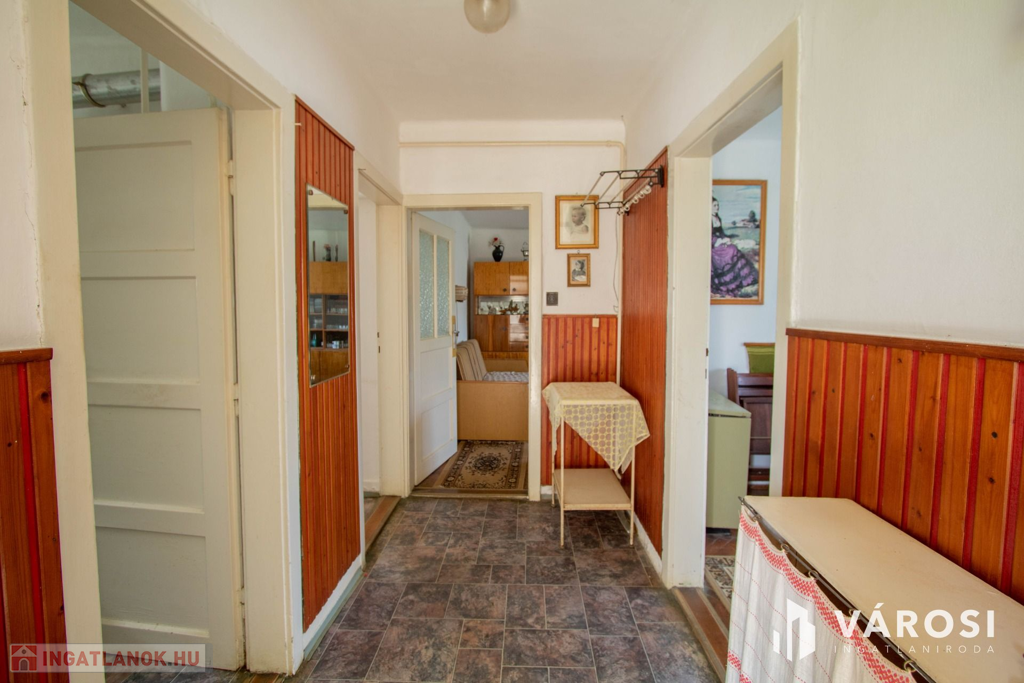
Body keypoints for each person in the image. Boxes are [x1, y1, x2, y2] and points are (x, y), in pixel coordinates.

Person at [711, 196, 758, 297]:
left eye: (718, 205)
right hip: (712, 245)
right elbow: (709, 236)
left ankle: (742, 279)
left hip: (719, 241)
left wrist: (727, 238)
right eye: (714, 205)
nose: (717, 207)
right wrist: (719, 241)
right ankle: (729, 283)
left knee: (733, 247)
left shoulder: (718, 218)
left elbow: (721, 233)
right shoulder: (708, 219)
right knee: (730, 250)